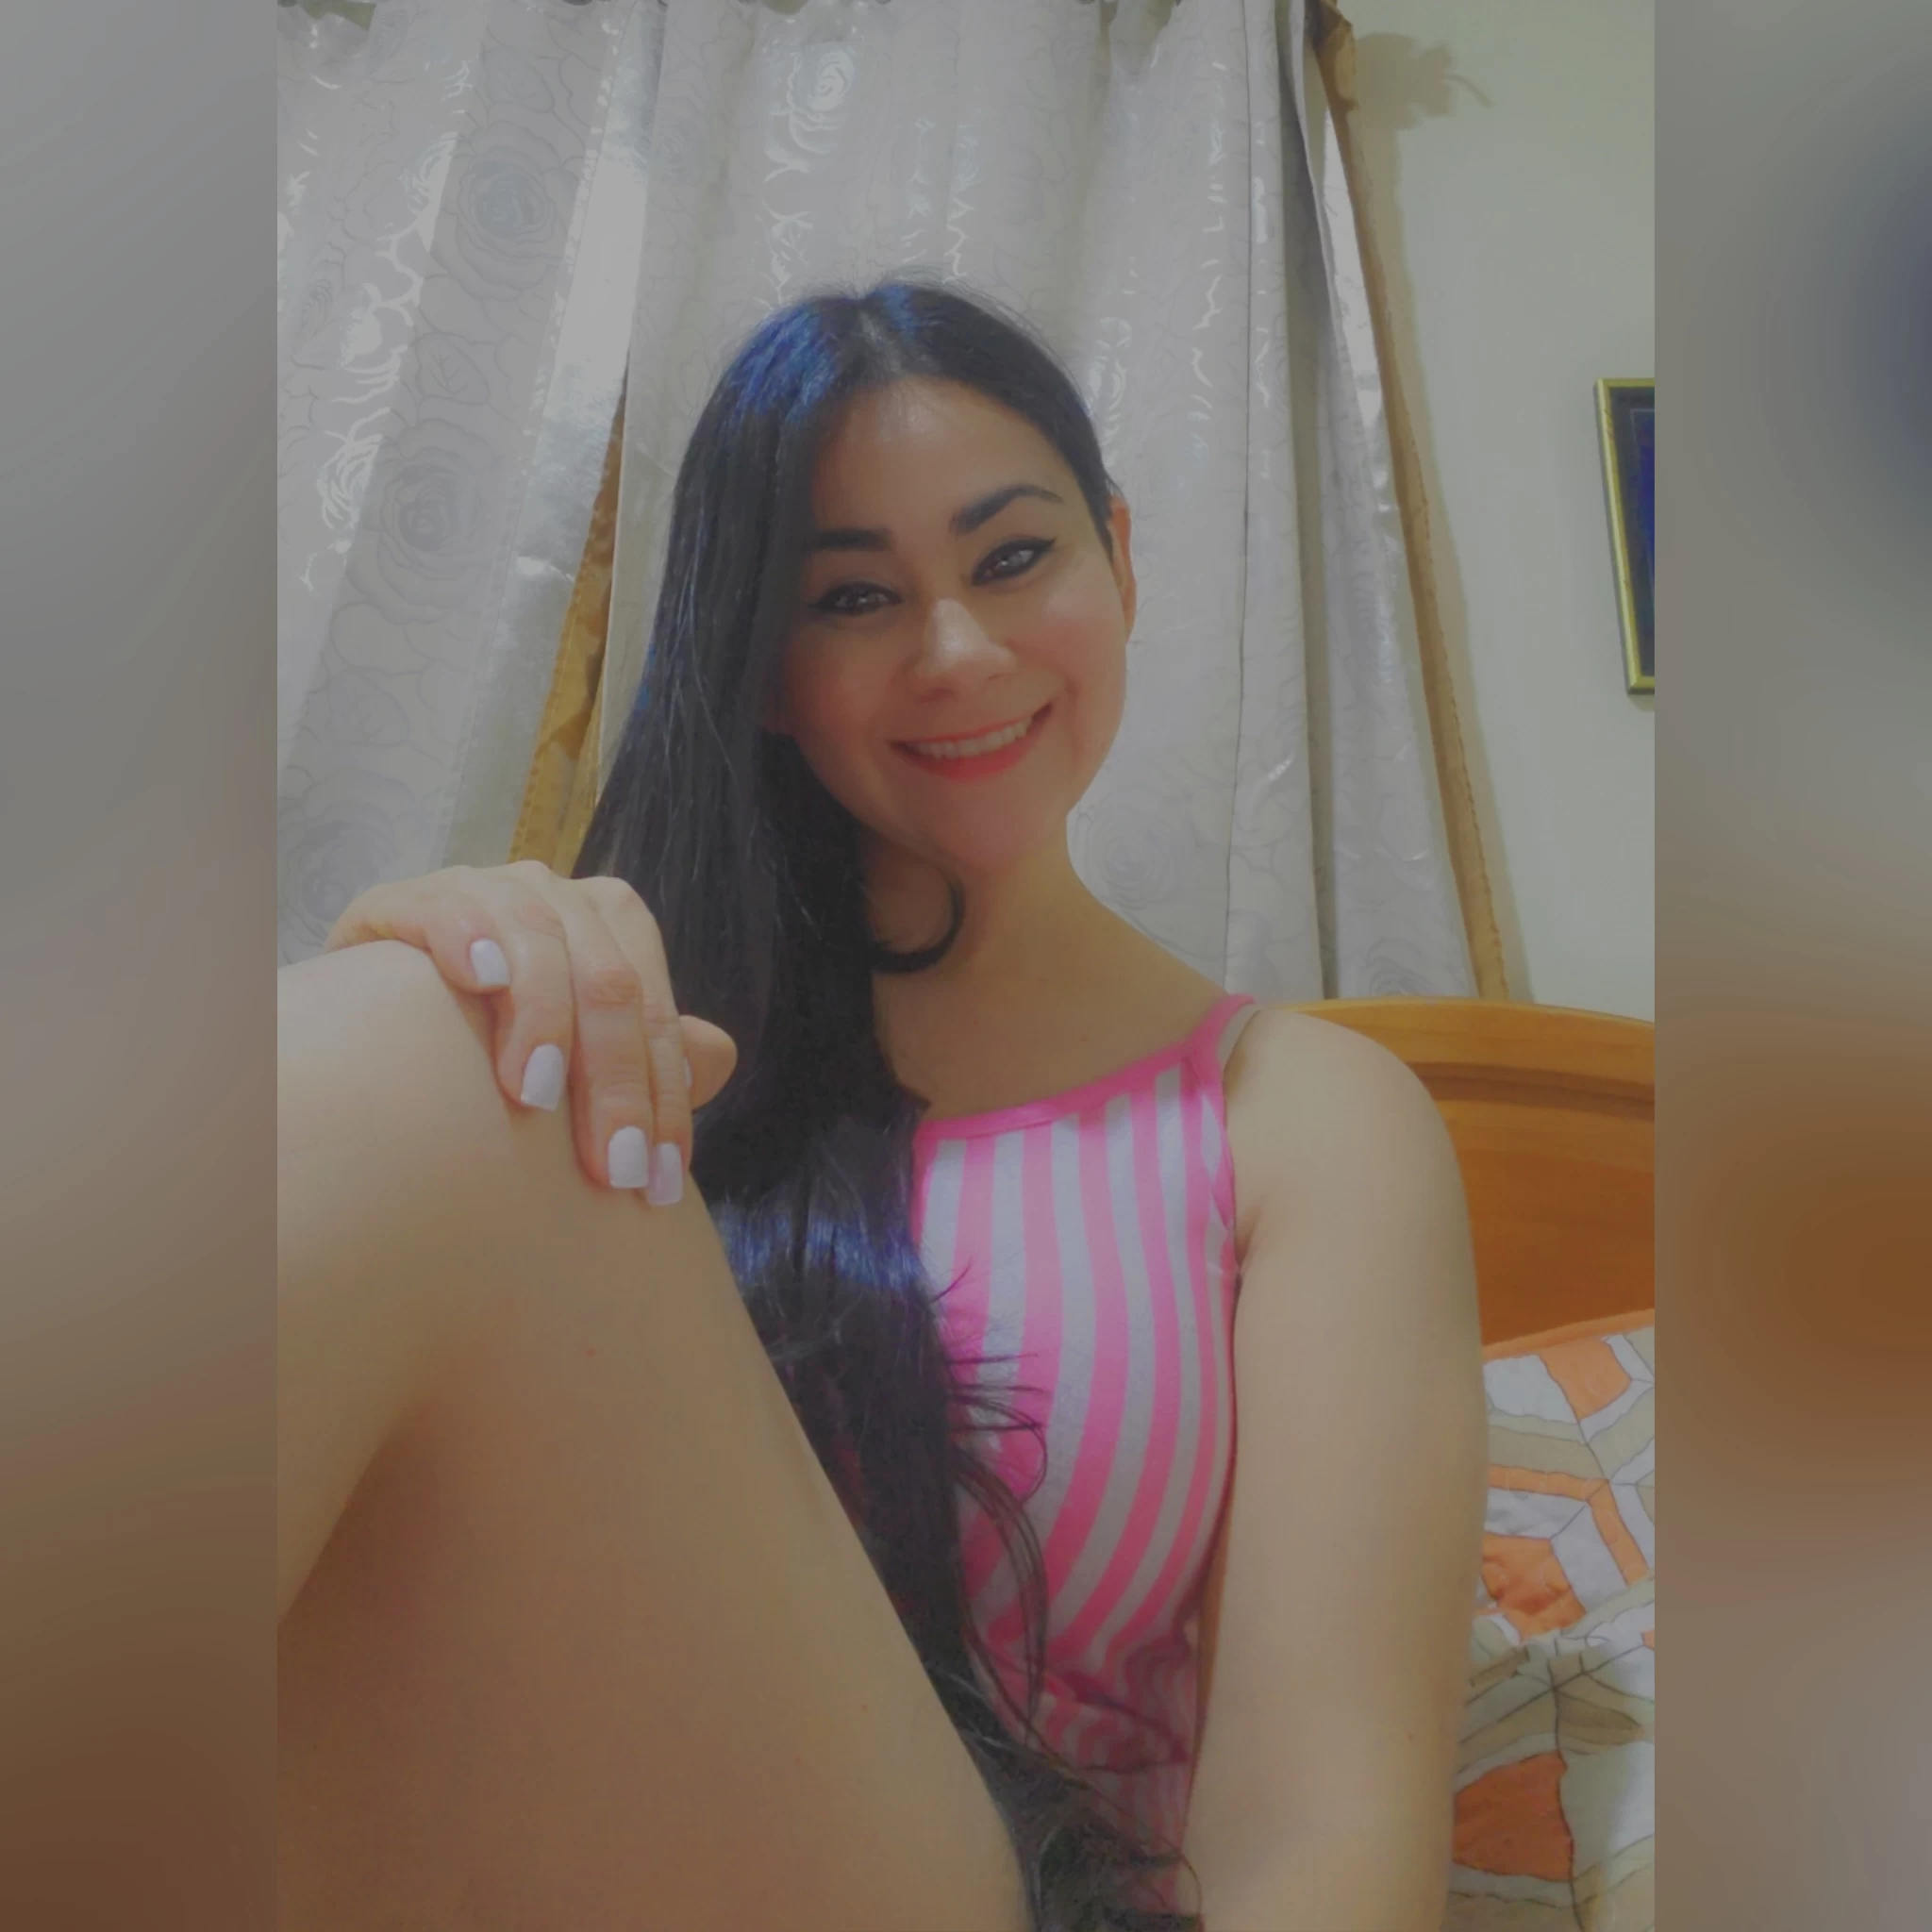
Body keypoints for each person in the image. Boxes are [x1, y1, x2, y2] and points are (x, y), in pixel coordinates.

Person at [278, 278, 1487, 1932]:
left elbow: (1322, 1848)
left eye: (1015, 557)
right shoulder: (639, 1053)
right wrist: (438, 981)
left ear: (1122, 561)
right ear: (769, 669)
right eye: (855, 597)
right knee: (426, 1013)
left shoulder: (1305, 1121)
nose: (960, 653)